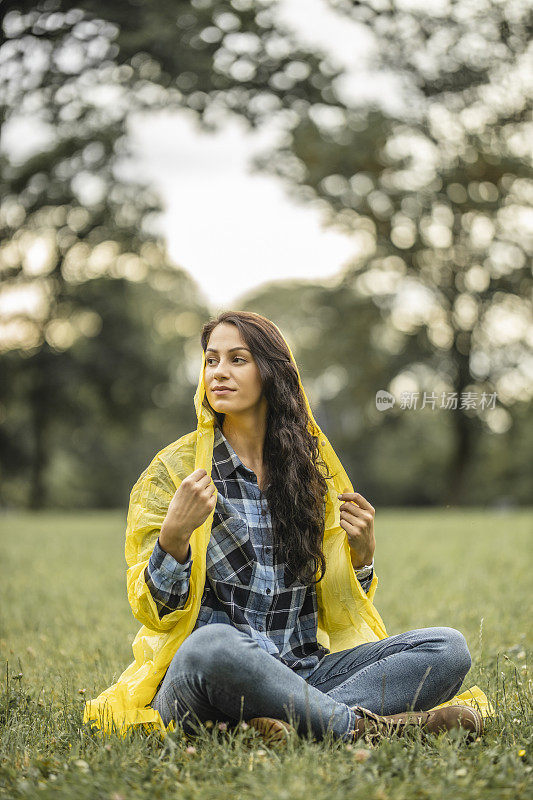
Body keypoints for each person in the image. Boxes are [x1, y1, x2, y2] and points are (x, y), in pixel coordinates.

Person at [84, 311, 491, 745]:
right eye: (211, 360)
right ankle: (363, 727)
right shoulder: (173, 473)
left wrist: (362, 555)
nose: (218, 372)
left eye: (237, 359)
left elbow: (340, 605)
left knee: (447, 648)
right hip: (207, 680)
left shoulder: (311, 472)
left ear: (273, 373)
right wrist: (175, 537)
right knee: (212, 645)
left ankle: (283, 725)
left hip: (303, 672)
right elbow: (155, 613)